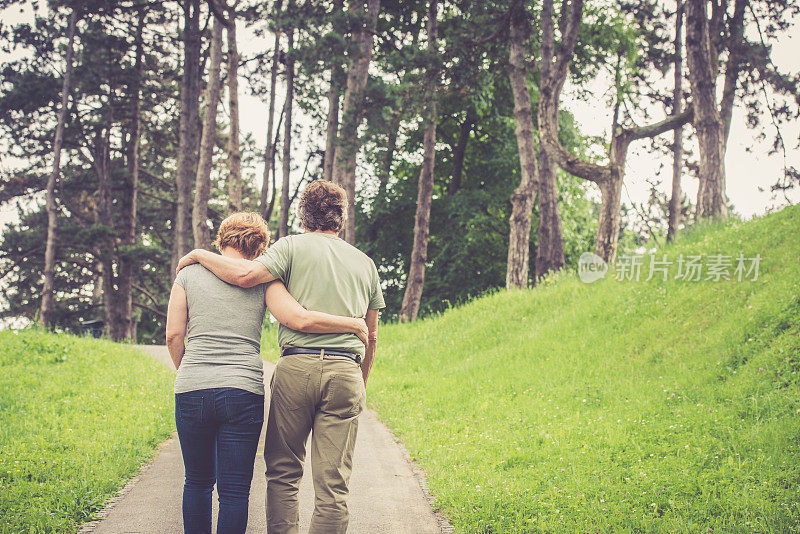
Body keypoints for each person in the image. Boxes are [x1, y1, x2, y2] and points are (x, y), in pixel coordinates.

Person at [177, 180, 385, 534]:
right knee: (333, 485)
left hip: (297, 367)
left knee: (284, 472)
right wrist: (359, 383)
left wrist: (197, 255)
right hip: (347, 371)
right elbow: (372, 334)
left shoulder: (290, 248)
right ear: (342, 219)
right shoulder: (366, 264)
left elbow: (244, 276)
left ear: (304, 216)